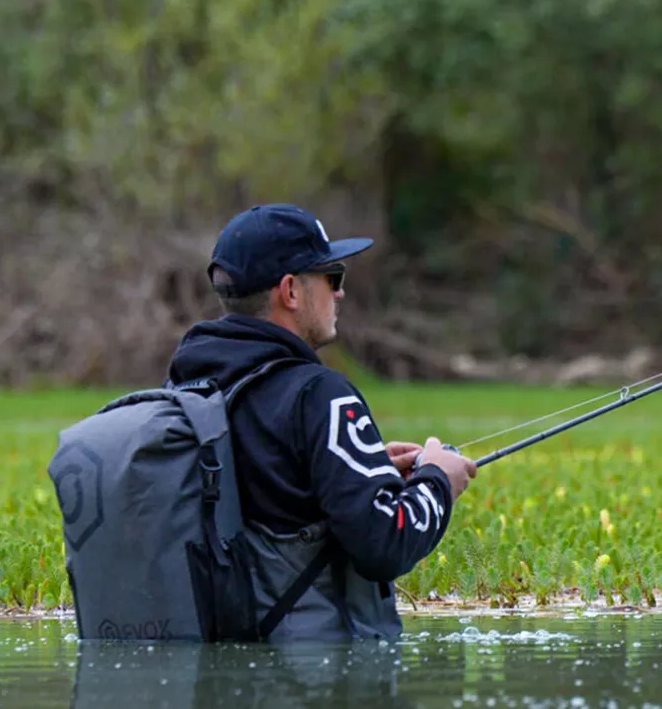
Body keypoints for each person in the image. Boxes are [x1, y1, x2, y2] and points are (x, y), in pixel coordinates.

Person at [166, 203, 477, 641]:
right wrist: (439, 480)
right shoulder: (321, 395)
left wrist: (360, 469)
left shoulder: (185, 388)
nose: (340, 293)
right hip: (315, 667)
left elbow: (257, 496)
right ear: (291, 291)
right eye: (333, 276)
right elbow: (385, 543)